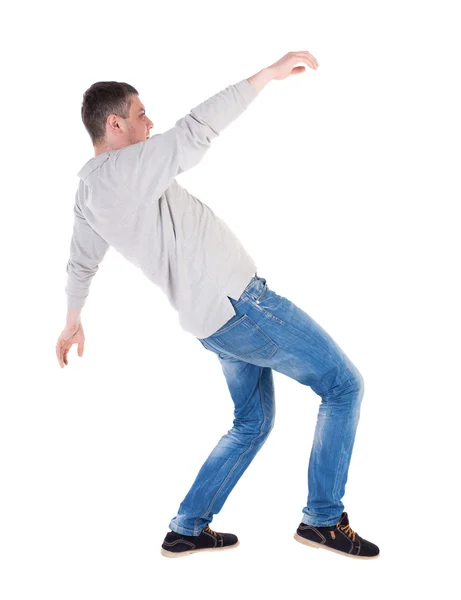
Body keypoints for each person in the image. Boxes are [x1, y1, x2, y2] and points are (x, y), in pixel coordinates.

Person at [56, 51, 380, 560]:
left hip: (214, 322)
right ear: (114, 124)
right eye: (141, 114)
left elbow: (81, 262)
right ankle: (322, 519)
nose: (150, 122)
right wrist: (264, 78)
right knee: (344, 386)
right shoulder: (125, 169)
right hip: (244, 308)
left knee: (252, 423)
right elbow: (193, 132)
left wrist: (72, 320)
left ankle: (188, 527)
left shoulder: (91, 190)